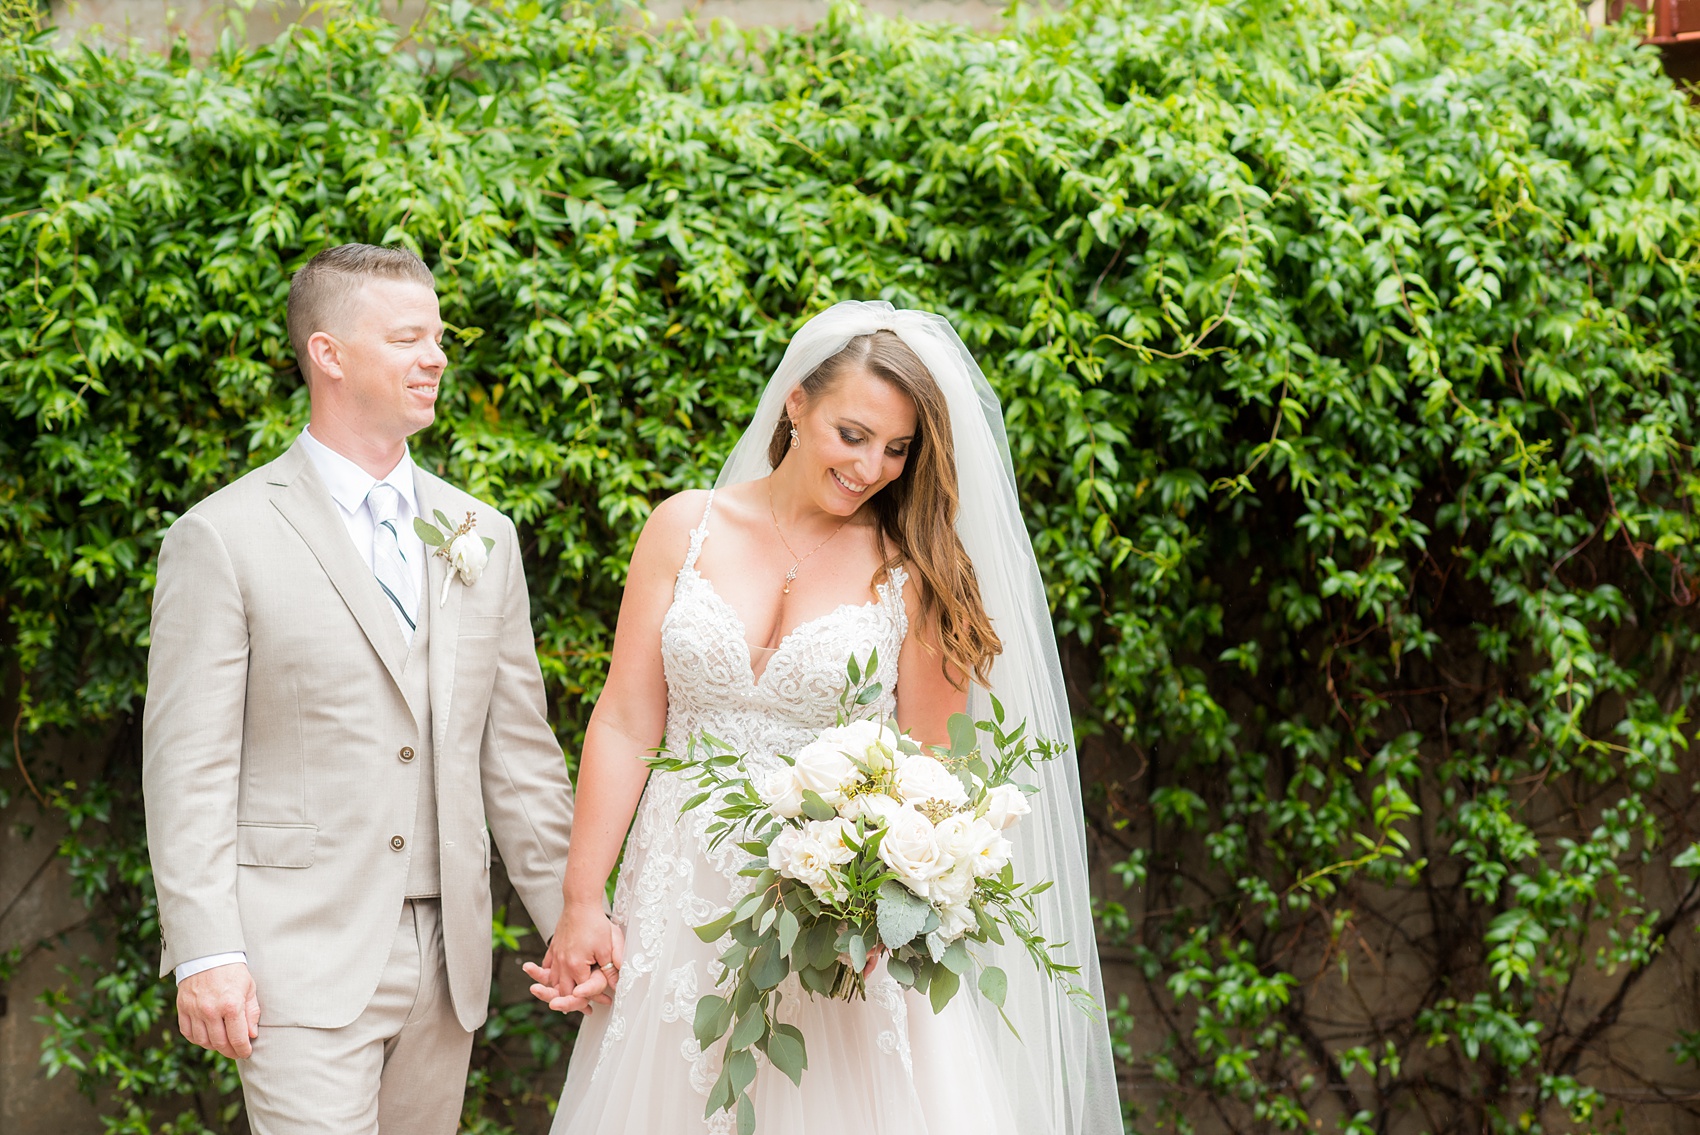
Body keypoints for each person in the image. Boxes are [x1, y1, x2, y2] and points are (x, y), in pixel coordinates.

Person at [528, 301, 1123, 1133]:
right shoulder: (682, 528)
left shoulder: (913, 575)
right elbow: (627, 721)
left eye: (896, 447)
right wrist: (582, 898)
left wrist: (884, 905)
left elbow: (932, 772)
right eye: (853, 434)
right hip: (674, 892)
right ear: (796, 404)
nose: (873, 465)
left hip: (828, 921)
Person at [142, 243, 581, 1135]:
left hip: (449, 959)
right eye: (409, 338)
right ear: (329, 355)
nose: (437, 358)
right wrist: (206, 951)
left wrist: (574, 917)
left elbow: (520, 759)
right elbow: (187, 765)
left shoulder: (479, 532)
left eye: (440, 337)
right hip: (293, 956)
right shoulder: (222, 536)